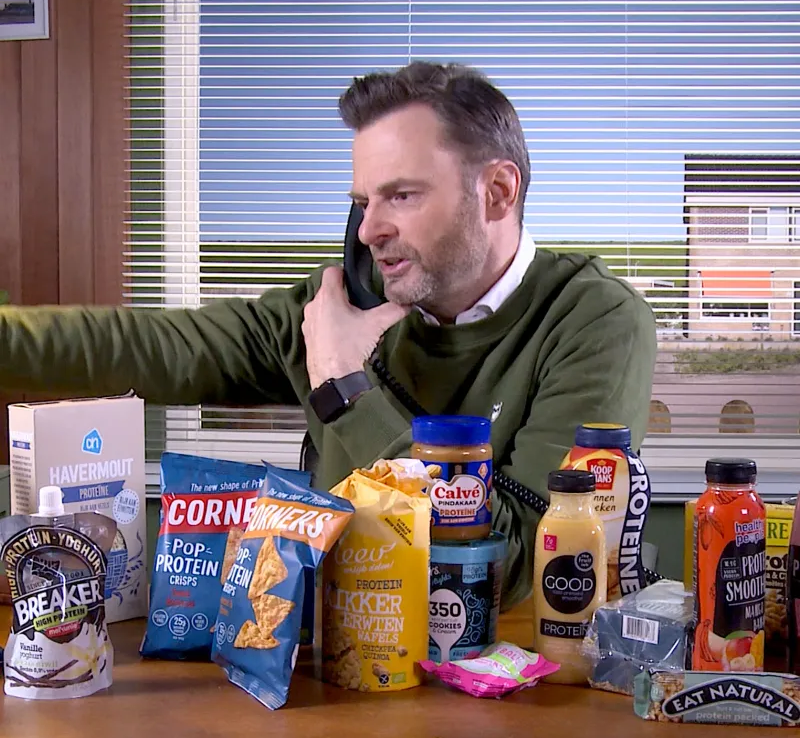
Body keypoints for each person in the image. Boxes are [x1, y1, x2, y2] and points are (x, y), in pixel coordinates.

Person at [0, 61, 656, 609]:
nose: (369, 230)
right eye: (363, 202)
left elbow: (521, 567)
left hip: (494, 684)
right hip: (329, 663)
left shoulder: (594, 322)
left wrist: (348, 391)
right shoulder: (340, 306)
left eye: (401, 196)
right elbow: (147, 348)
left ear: (497, 192)